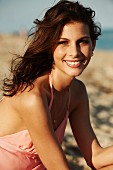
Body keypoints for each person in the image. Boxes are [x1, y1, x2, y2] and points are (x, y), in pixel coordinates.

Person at [0, 0, 113, 169]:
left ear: (93, 44)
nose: (74, 52)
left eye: (82, 41)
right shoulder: (32, 97)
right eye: (63, 42)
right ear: (50, 47)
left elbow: (95, 157)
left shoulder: (77, 92)